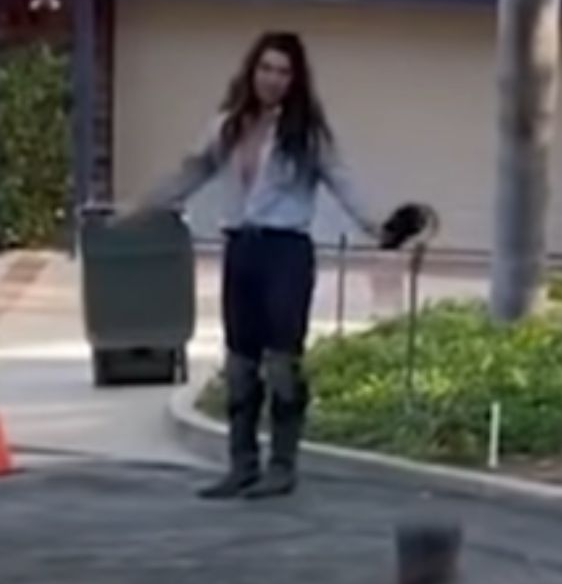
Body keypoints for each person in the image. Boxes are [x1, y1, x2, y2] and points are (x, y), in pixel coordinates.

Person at [124, 31, 385, 500]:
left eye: (283, 72)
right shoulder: (227, 125)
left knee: (282, 362)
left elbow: (342, 180)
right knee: (240, 362)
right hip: (241, 248)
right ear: (252, 71)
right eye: (266, 68)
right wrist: (142, 207)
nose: (273, 79)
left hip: (286, 251)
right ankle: (241, 465)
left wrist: (378, 226)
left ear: (296, 79)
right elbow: (192, 171)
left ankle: (282, 465)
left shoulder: (306, 134)